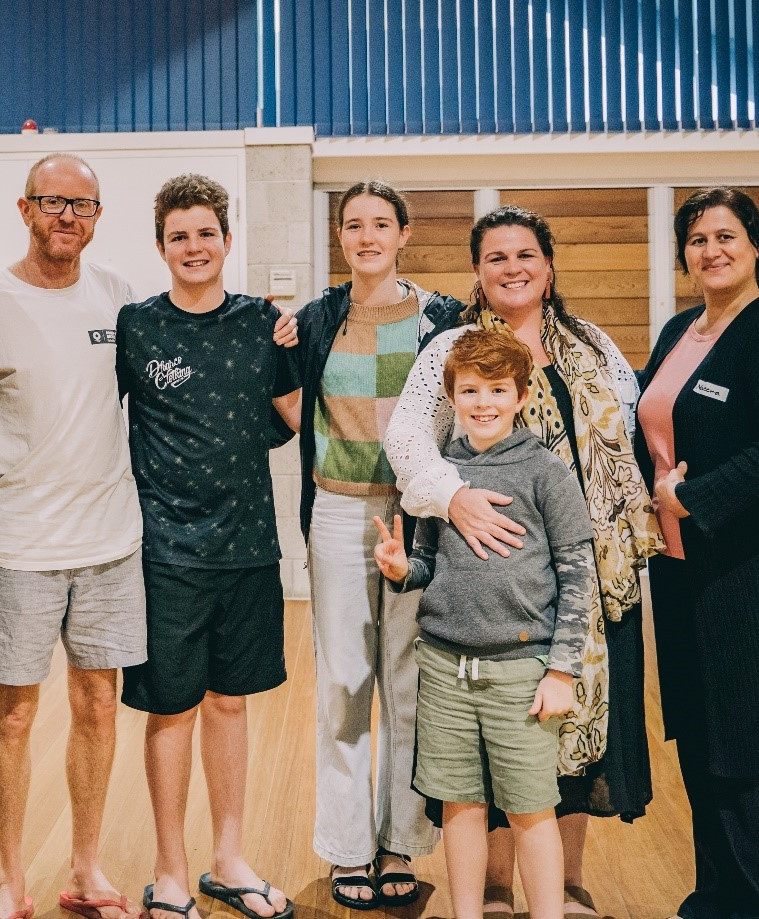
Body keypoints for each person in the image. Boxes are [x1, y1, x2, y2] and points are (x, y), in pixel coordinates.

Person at [384, 205, 663, 919]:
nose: (512, 267)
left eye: (525, 254)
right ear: (477, 271)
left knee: (571, 742)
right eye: (496, 256)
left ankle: (563, 886)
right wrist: (454, 500)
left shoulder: (590, 344)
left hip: (587, 577)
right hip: (492, 580)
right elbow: (408, 439)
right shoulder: (453, 347)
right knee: (493, 744)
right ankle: (498, 890)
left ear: (548, 264)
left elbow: (628, 432)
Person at [0, 153, 147, 919]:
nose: (67, 216)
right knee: (14, 715)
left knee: (99, 707)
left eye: (83, 205)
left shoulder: (118, 296)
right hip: (18, 548)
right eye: (52, 201)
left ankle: (86, 867)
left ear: (98, 217)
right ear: (25, 208)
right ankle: (9, 879)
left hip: (108, 543)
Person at [637, 187, 759, 919]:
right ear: (684, 256)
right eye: (696, 239)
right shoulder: (682, 328)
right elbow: (645, 419)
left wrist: (694, 497)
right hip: (680, 568)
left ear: (754, 245)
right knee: (699, 732)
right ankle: (714, 896)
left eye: (724, 235)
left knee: (744, 744)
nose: (710, 250)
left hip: (748, 570)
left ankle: (758, 904)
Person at [116, 175, 296, 919]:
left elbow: (293, 415)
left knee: (229, 705)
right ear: (161, 246)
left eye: (206, 233)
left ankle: (228, 858)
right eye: (179, 235)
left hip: (249, 544)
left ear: (227, 238)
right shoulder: (135, 326)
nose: (194, 246)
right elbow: (84, 414)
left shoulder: (264, 323)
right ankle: (168, 871)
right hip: (165, 551)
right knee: (173, 710)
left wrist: (300, 335)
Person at [375, 329, 596, 919]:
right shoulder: (437, 477)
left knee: (530, 810)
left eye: (498, 390)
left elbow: (579, 576)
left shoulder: (547, 472)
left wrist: (560, 671)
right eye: (469, 390)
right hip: (444, 668)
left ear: (521, 395)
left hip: (521, 672)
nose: (483, 403)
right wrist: (403, 569)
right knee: (460, 806)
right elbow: (428, 563)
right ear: (451, 396)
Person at [292, 180, 456, 908]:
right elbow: (280, 394)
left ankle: (401, 844)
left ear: (403, 232)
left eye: (379, 223)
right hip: (337, 513)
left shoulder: (439, 318)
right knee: (344, 685)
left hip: (417, 515)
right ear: (339, 234)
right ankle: (347, 848)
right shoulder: (316, 317)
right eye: (352, 224)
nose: (365, 236)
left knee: (409, 683)